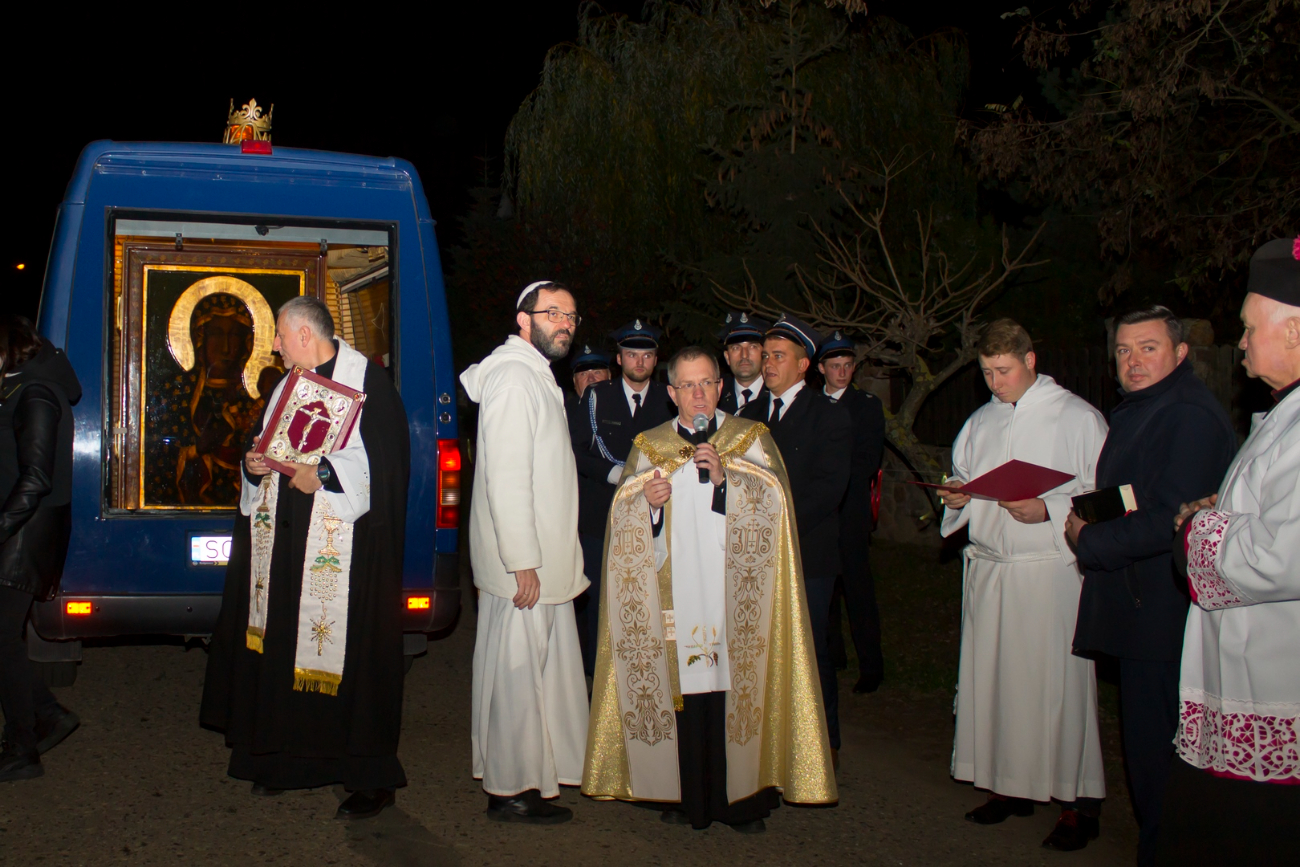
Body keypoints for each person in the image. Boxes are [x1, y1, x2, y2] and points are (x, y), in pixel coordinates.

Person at [582, 346, 837, 831]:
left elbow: (778, 510)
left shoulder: (750, 439)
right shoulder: (650, 444)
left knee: (736, 688)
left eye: (707, 384)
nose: (698, 395)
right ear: (671, 391)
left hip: (734, 594)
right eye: (687, 386)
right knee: (684, 690)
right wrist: (648, 507)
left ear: (720, 387)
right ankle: (683, 797)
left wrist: (728, 485)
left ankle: (741, 801)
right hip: (676, 594)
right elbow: (623, 528)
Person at [200, 296, 411, 820]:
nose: (271, 345)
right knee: (279, 652)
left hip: (347, 560)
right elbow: (269, 448)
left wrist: (328, 473)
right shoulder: (286, 385)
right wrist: (253, 465)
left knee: (352, 661)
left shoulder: (369, 385)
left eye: (277, 335)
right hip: (286, 549)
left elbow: (386, 467)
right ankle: (287, 763)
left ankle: (368, 776)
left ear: (301, 334)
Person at [1063, 307, 1236, 864]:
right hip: (1142, 605)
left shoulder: (1186, 415)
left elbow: (1170, 515)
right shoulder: (1148, 407)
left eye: (1148, 348)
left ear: (1180, 353)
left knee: (1159, 754)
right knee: (1147, 749)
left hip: (1162, 614)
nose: (1133, 361)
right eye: (1123, 351)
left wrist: (1090, 539)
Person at [1156, 237, 1300, 865]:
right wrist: (1220, 514)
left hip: (1273, 679)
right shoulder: (1285, 413)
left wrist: (1197, 531)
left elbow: (1280, 555)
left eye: (1249, 328)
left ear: (1295, 328)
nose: (1240, 343)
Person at [939, 318, 1108, 850]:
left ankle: (1078, 803)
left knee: (1055, 689)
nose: (995, 383)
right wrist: (956, 497)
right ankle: (1010, 786)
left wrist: (1049, 509)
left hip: (1049, 572)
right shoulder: (980, 422)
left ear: (1030, 360)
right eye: (987, 372)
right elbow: (962, 475)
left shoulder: (1078, 418)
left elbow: (1105, 495)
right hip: (992, 570)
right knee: (1000, 687)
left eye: (1004, 370)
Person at [461, 280, 590, 824]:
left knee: (535, 673)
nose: (564, 322)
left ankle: (531, 775)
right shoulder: (515, 378)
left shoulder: (534, 376)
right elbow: (507, 478)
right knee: (517, 675)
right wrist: (523, 561)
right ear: (523, 320)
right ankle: (511, 790)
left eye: (571, 316)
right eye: (552, 312)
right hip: (526, 562)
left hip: (541, 556)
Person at [738, 314, 851, 766]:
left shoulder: (829, 417)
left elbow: (828, 488)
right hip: (753, 556)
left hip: (808, 554)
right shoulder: (745, 417)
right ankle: (765, 737)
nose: (767, 364)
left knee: (810, 648)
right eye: (765, 356)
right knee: (759, 646)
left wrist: (773, 527)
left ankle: (823, 744)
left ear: (804, 365)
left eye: (777, 356)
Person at [0, 316, 81, 783]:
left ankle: (22, 746)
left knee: (1, 638)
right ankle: (46, 715)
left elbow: (35, 479)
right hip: (21, 530)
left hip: (24, 536)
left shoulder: (35, 393)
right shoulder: (22, 386)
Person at [571, 320, 674, 676]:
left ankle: (647, 674)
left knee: (650, 600)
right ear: (619, 359)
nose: (639, 362)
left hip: (655, 518)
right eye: (632, 354)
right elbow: (578, 451)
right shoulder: (597, 397)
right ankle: (597, 678)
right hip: (603, 516)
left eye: (646, 355)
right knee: (601, 601)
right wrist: (616, 475)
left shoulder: (669, 398)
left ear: (656, 359)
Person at [817, 332, 886, 694]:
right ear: (821, 369)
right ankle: (832, 654)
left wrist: (830, 486)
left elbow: (866, 460)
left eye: (847, 366)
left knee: (858, 589)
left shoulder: (866, 405)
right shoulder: (812, 406)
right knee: (822, 587)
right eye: (835, 366)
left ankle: (871, 666)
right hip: (818, 515)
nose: (842, 372)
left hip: (851, 510)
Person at [716, 311, 769, 414]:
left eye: (752, 347)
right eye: (736, 348)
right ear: (727, 357)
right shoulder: (716, 394)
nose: (744, 355)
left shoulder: (777, 393)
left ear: (764, 354)